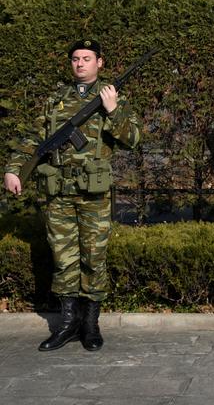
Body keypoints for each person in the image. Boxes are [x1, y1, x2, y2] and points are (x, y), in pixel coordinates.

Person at [3, 40, 141, 352]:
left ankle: (90, 325)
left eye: (87, 59)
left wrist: (114, 111)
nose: (80, 64)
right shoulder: (55, 99)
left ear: (100, 63)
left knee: (93, 258)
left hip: (93, 194)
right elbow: (33, 138)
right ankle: (67, 324)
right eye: (76, 59)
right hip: (59, 194)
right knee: (63, 259)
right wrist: (14, 169)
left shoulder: (111, 97)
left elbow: (132, 138)